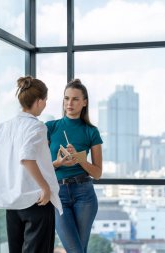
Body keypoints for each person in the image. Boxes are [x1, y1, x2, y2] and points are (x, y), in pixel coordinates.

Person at [0, 76, 63, 253]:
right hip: (37, 202)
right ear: (40, 101)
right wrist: (45, 188)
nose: (45, 105)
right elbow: (26, 158)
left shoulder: (3, 127)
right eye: (46, 101)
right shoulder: (37, 127)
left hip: (12, 203)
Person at [46, 78, 103, 253]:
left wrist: (80, 159)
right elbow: (40, 167)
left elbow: (98, 173)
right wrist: (58, 162)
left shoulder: (91, 131)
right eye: (66, 98)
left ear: (84, 102)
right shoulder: (50, 127)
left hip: (84, 194)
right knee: (76, 250)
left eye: (75, 99)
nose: (69, 103)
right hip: (58, 194)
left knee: (79, 249)